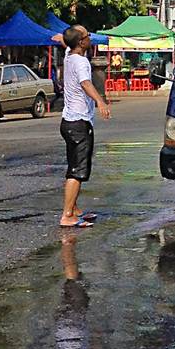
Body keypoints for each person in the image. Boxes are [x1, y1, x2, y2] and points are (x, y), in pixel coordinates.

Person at [60, 26, 111, 229]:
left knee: (74, 166)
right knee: (77, 171)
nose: (90, 38)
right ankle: (67, 215)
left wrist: (62, 40)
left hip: (68, 122)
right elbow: (85, 83)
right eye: (87, 36)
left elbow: (67, 44)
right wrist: (100, 101)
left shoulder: (69, 55)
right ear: (81, 42)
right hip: (79, 123)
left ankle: (74, 208)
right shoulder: (80, 62)